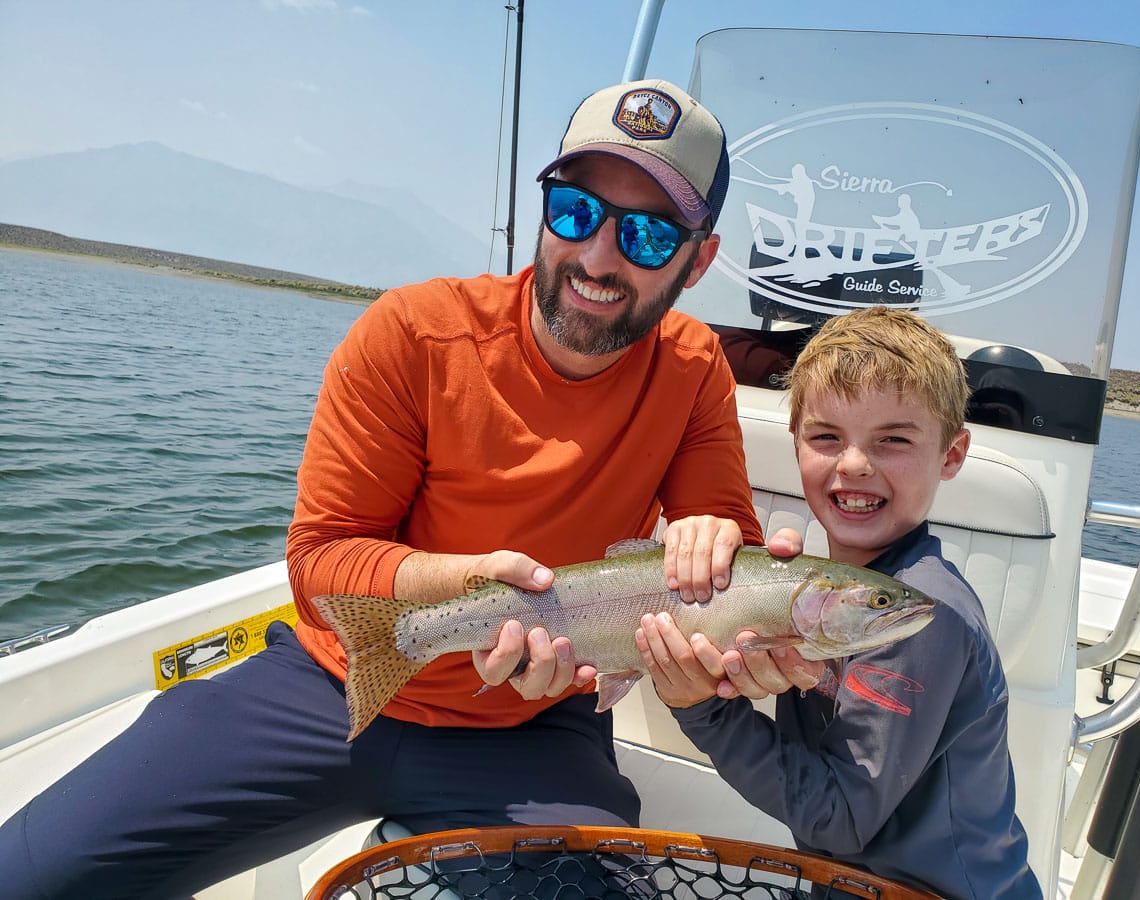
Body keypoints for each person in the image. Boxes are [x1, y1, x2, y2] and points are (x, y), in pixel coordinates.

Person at [0, 79, 763, 898]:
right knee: (29, 876)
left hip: (534, 723)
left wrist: (729, 589)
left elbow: (723, 538)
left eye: (648, 235)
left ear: (698, 261)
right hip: (323, 689)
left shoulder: (693, 371)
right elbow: (320, 561)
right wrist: (464, 586)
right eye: (576, 212)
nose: (599, 257)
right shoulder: (413, 333)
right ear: (544, 209)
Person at [636, 306, 1041, 898]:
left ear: (951, 455)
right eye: (827, 437)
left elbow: (842, 818)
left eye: (893, 440)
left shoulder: (920, 616)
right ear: (796, 442)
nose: (854, 465)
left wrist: (704, 710)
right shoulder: (814, 584)